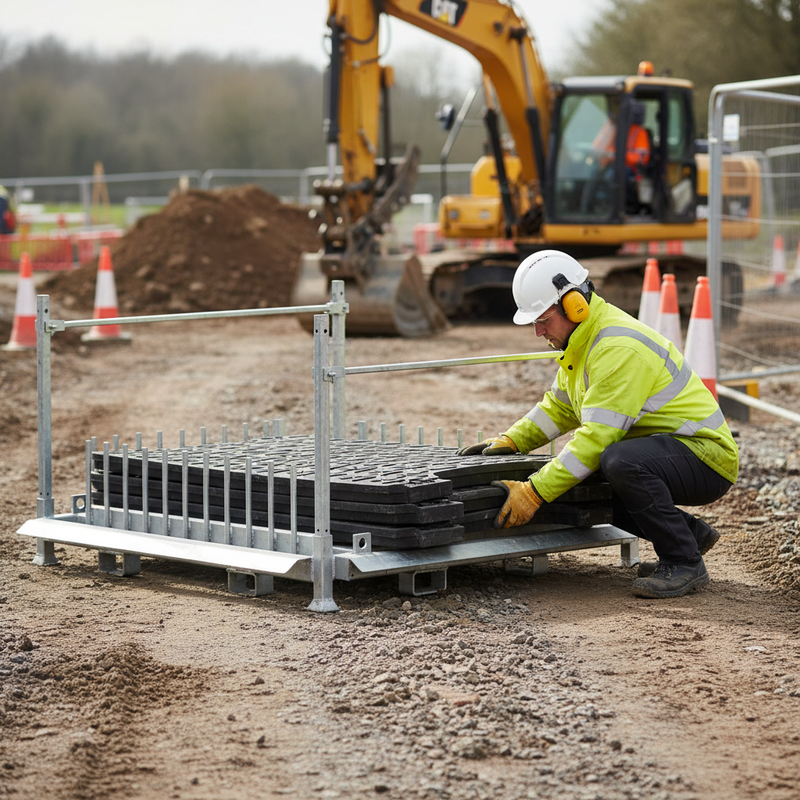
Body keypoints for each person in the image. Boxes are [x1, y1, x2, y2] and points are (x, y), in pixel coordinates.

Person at [458, 250, 738, 599]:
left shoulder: (617, 347)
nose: (537, 331)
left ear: (575, 305)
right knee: (590, 472)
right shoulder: (583, 340)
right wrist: (514, 440)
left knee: (617, 462)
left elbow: (596, 440)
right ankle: (688, 536)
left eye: (543, 320)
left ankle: (683, 561)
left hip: (706, 456)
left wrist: (534, 492)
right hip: (671, 450)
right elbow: (560, 407)